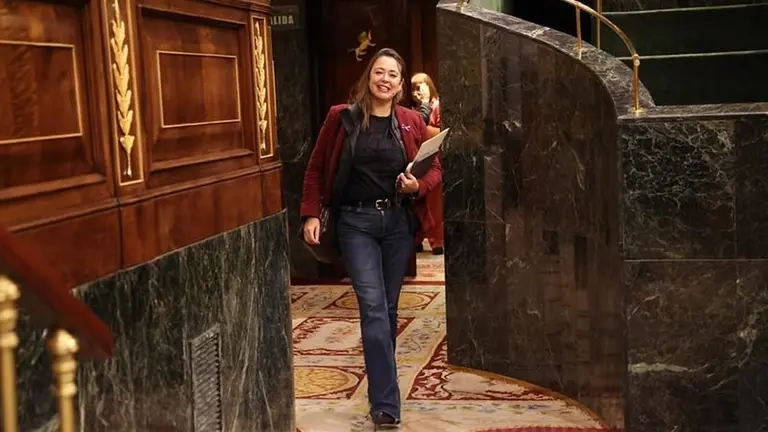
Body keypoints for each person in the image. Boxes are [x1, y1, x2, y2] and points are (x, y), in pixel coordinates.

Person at [300, 48, 442, 427]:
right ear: (369, 78)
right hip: (355, 223)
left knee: (389, 310)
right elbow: (316, 167)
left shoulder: (411, 121)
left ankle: (380, 383)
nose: (385, 79)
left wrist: (416, 185)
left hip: (397, 224)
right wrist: (311, 213)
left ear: (399, 85)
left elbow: (434, 170)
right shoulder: (341, 118)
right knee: (374, 308)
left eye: (393, 75)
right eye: (379, 72)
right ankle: (386, 402)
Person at [410, 72, 444, 255]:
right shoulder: (413, 110)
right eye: (413, 88)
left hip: (434, 159)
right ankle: (417, 238)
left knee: (434, 203)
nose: (415, 92)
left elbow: (442, 131)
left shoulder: (436, 106)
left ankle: (436, 241)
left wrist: (421, 129)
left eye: (419, 87)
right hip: (416, 161)